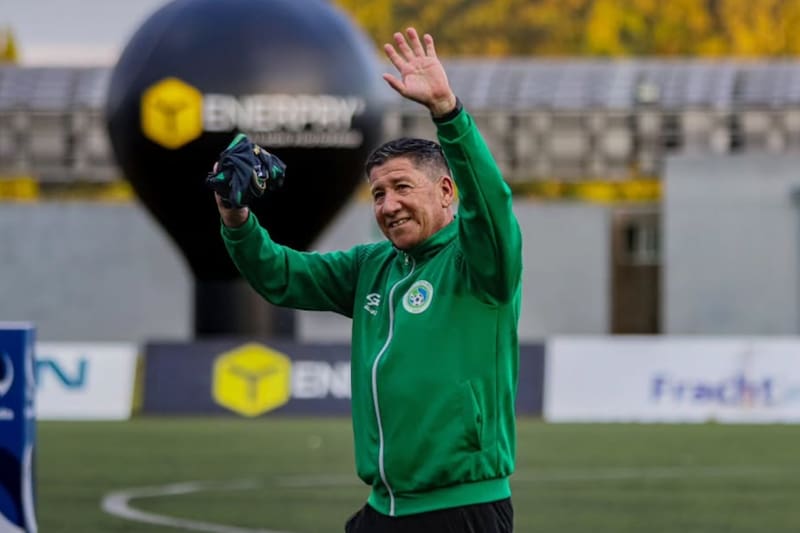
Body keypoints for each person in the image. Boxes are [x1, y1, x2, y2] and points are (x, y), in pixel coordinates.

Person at [215, 27, 522, 533]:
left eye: (403, 187)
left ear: (448, 191)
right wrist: (234, 212)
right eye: (378, 194)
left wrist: (448, 111)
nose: (389, 204)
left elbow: (493, 206)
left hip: (460, 510)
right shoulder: (371, 267)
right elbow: (280, 276)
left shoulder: (480, 263)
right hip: (383, 509)